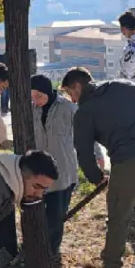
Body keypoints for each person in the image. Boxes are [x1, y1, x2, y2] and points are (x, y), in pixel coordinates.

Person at [62, 67, 135, 268]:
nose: (72, 99)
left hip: (128, 161)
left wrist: (95, 177)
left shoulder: (84, 112)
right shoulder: (123, 86)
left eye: (70, 93)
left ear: (78, 86)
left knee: (119, 217)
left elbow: (83, 151)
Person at [30, 74, 105, 255]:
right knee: (38, 214)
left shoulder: (68, 108)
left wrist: (97, 155)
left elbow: (86, 134)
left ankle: (51, 251)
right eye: (32, 96)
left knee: (56, 215)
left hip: (62, 171)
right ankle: (36, 249)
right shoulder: (31, 110)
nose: (36, 100)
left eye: (39, 95)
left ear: (48, 91)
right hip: (38, 172)